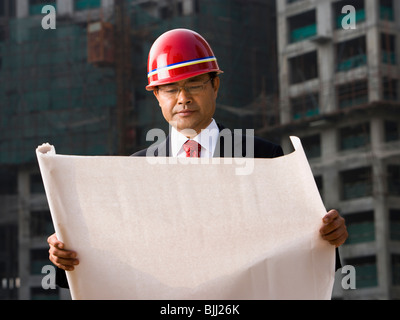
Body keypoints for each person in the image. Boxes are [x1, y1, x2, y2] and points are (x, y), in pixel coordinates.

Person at [48, 29, 348, 288]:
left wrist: (327, 240)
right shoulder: (137, 170)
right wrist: (65, 256)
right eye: (170, 89)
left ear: (214, 85)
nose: (183, 98)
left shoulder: (263, 157)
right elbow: (115, 254)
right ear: (156, 96)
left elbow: (296, 243)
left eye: (194, 85)